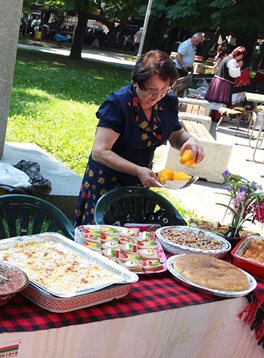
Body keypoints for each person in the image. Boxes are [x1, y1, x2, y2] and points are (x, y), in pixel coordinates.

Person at [73, 50, 204, 226]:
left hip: (141, 181)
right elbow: (100, 152)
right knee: (103, 240)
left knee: (136, 240)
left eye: (165, 89)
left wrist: (189, 140)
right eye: (152, 90)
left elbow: (176, 135)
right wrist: (138, 171)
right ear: (137, 81)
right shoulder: (118, 103)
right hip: (107, 182)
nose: (157, 96)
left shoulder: (167, 102)